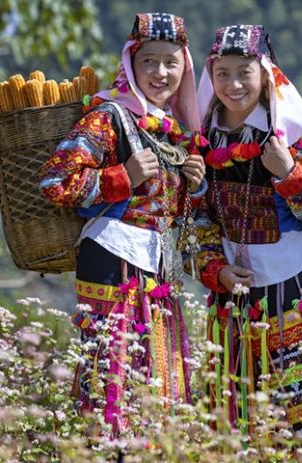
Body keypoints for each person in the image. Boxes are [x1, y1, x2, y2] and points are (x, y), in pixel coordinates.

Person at [38, 12, 207, 435]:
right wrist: (122, 177)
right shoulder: (108, 117)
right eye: (149, 61)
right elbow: (56, 182)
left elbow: (166, 208)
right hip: (111, 259)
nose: (160, 72)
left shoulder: (173, 131)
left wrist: (193, 185)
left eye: (171, 62)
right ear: (131, 62)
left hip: (156, 265)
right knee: (111, 373)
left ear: (184, 69)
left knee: (156, 375)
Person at [183, 24, 302, 431]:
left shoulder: (292, 134)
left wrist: (289, 173)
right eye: (222, 73)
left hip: (297, 284)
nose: (233, 84)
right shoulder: (202, 140)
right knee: (238, 417)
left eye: (244, 72)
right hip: (234, 293)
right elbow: (196, 219)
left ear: (265, 74)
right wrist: (215, 269)